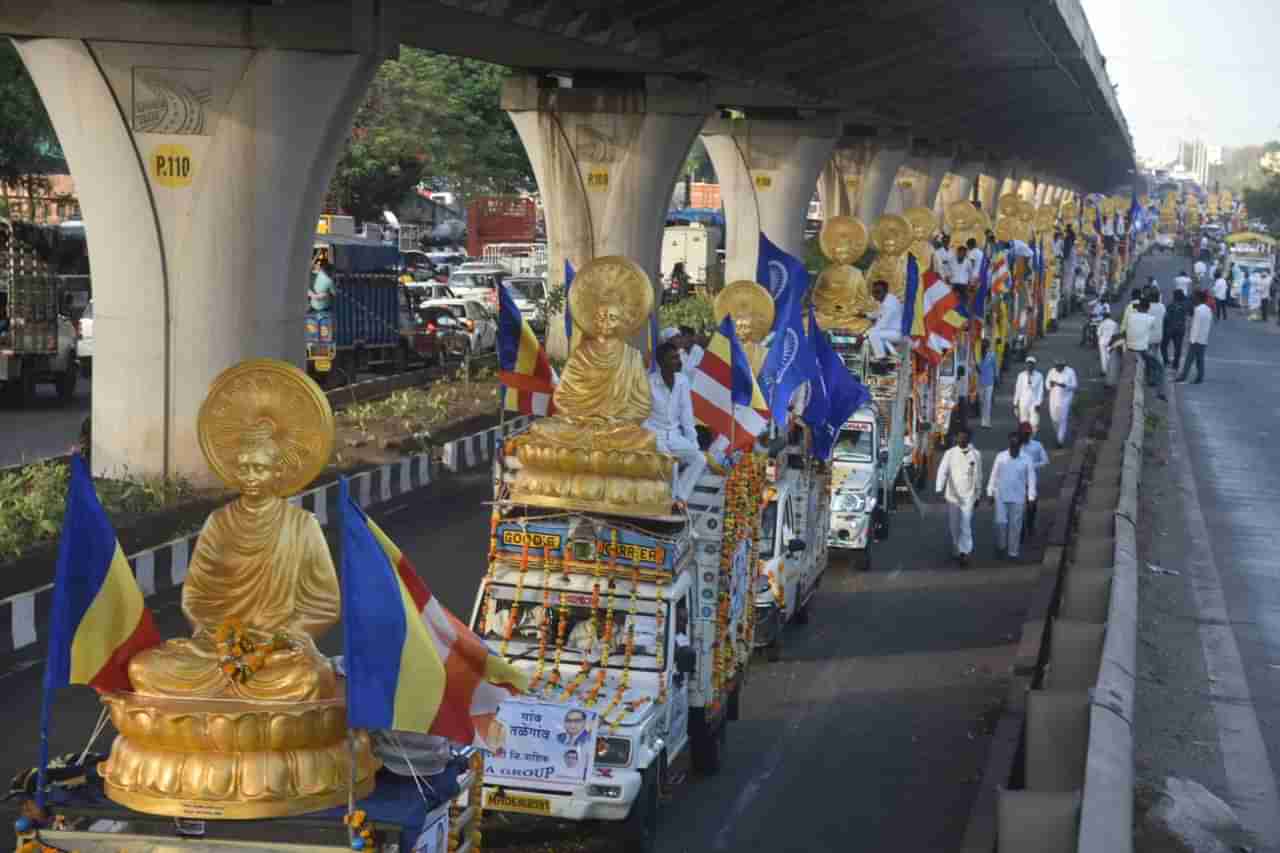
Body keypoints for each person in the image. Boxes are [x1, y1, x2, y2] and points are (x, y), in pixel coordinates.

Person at [643, 342, 706, 511]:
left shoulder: (682, 381)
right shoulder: (649, 383)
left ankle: (680, 498)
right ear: (662, 362)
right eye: (674, 358)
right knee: (672, 463)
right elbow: (642, 417)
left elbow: (687, 414)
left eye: (678, 357)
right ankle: (671, 503)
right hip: (654, 435)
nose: (679, 361)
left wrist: (693, 443)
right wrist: (651, 438)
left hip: (674, 435)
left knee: (699, 459)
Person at [936, 429, 983, 566]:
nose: (962, 440)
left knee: (966, 524)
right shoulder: (950, 454)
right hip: (953, 496)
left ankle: (965, 552)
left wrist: (978, 494)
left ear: (969, 439)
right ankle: (957, 548)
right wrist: (939, 488)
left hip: (969, 495)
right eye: (960, 437)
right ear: (956, 438)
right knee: (954, 525)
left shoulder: (976, 455)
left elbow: (978, 476)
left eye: (965, 438)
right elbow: (942, 471)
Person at [986, 431, 1037, 559]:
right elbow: (994, 475)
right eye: (1011, 444)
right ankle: (1001, 546)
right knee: (1000, 522)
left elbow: (1031, 479)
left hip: (1018, 497)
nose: (1013, 447)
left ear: (1020, 445)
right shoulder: (1000, 457)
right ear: (1009, 444)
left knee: (1015, 526)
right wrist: (990, 492)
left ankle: (1013, 552)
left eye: (1016, 445)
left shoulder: (1027, 459)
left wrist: (1031, 498)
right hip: (1001, 496)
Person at [1120, 298, 1165, 398]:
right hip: (1142, 350)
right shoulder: (1151, 318)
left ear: (1139, 307)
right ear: (1148, 308)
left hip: (1130, 348)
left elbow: (1126, 330)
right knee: (1160, 368)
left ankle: (1150, 380)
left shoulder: (1131, 316)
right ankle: (1160, 392)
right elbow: (1153, 329)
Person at [1017, 421, 1049, 538]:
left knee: (1032, 505)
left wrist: (1032, 465)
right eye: (1023, 433)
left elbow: (1045, 461)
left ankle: (1030, 526)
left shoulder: (1037, 445)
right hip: (1018, 481)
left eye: (1027, 433)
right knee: (1018, 506)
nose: (1025, 436)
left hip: (1031, 481)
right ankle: (1020, 530)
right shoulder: (1015, 445)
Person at [1175, 290, 1213, 385]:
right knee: (1200, 359)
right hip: (1203, 338)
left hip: (1196, 339)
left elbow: (1196, 325)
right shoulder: (1208, 310)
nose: (1193, 299)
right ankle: (1200, 377)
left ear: (1199, 299)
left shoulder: (1198, 310)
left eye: (1195, 298)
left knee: (1189, 359)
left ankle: (1183, 376)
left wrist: (1192, 339)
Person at [865, 279, 903, 360]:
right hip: (890, 331)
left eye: (878, 292)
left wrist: (864, 334)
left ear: (885, 292)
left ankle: (881, 359)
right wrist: (865, 315)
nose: (875, 294)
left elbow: (881, 325)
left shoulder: (889, 305)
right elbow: (878, 313)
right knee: (875, 335)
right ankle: (893, 353)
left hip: (896, 333)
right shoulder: (887, 299)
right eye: (874, 292)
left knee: (873, 334)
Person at [1045, 358, 1078, 447]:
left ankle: (1060, 441)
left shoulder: (1070, 372)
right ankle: (1058, 436)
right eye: (1056, 367)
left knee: (1063, 419)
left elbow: (1075, 386)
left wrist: (1065, 386)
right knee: (1054, 419)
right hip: (1053, 399)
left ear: (1064, 366)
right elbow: (1047, 384)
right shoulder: (1051, 371)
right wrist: (1049, 385)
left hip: (1065, 399)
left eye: (1060, 367)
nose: (1058, 368)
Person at [1012, 356, 1044, 433]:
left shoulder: (1039, 376)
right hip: (1023, 402)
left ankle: (1031, 439)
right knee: (1024, 423)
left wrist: (1039, 403)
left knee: (1034, 423)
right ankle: (1025, 440)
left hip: (1034, 402)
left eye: (1031, 364)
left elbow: (1040, 391)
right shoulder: (1021, 375)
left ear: (1034, 365)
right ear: (1025, 365)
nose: (1029, 365)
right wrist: (1015, 403)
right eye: (1028, 364)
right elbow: (1018, 389)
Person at [1161, 290, 1188, 371]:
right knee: (1178, 347)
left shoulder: (1170, 306)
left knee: (1163, 346)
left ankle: (1166, 361)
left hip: (1170, 329)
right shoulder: (1184, 306)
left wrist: (1164, 328)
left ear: (1175, 296)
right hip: (1180, 329)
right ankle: (1176, 364)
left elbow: (1166, 318)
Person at [977, 346, 997, 428]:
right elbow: (978, 369)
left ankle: (987, 422)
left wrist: (996, 377)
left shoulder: (992, 355)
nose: (986, 349)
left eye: (987, 346)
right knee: (982, 401)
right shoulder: (978, 355)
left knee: (988, 402)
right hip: (981, 382)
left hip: (989, 382)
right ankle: (983, 420)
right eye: (985, 346)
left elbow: (995, 366)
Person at [1097, 312, 1119, 378]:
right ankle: (1110, 370)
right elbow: (1116, 334)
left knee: (1103, 357)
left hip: (1102, 342)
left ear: (1104, 317)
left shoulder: (1102, 323)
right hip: (1111, 342)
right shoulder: (1114, 323)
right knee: (1110, 356)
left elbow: (1098, 333)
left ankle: (1104, 371)